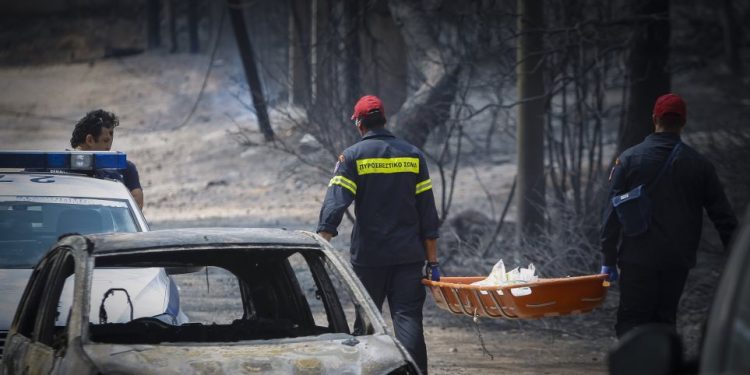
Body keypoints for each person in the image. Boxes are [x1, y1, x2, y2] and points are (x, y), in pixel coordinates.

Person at [317, 95, 440, 374]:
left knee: (366, 324)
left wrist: (321, 244)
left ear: (359, 124)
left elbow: (336, 203)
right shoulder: (413, 155)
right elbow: (428, 214)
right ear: (384, 119)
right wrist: (433, 262)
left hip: (369, 258)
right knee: (408, 321)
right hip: (409, 257)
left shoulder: (352, 157)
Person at [600, 93, 737, 338]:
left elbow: (612, 213)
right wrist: (736, 266)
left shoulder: (629, 159)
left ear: (654, 119)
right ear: (682, 122)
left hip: (637, 258)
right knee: (664, 320)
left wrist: (608, 258)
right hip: (676, 260)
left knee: (631, 319)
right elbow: (724, 218)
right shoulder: (700, 164)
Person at [70, 109, 144, 209]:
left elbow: (137, 205)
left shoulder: (123, 168)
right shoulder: (62, 169)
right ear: (90, 140)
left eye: (111, 138)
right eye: (105, 140)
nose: (109, 145)